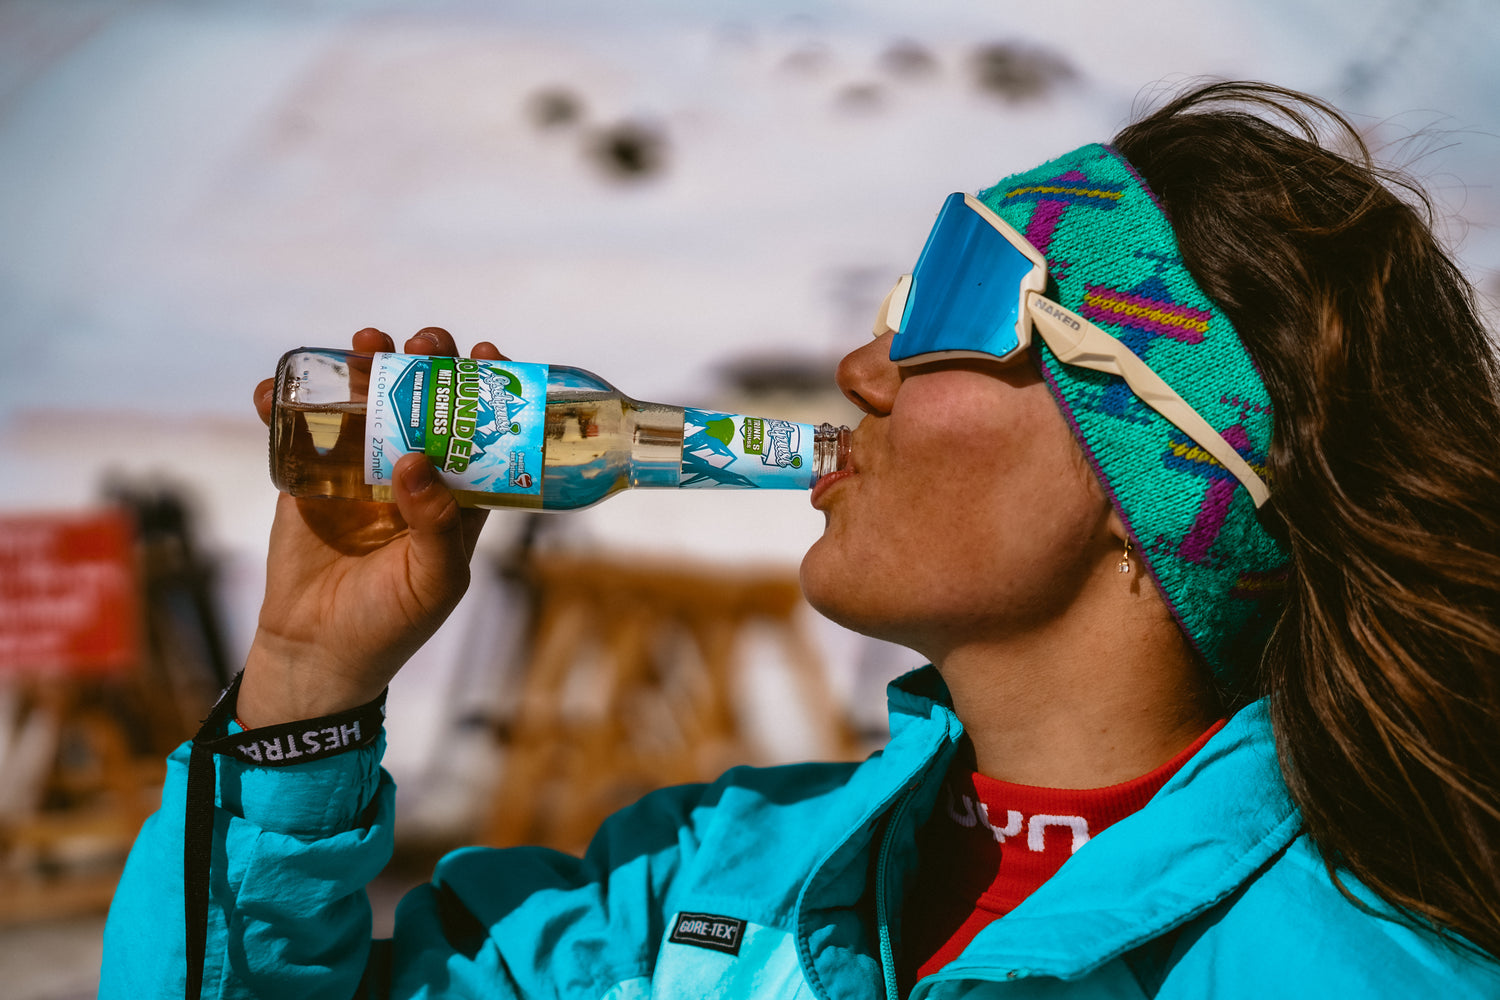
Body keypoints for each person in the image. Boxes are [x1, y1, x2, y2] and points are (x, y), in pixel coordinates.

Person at [101, 81, 1500, 997]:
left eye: (952, 302)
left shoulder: (1349, 973)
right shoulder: (702, 895)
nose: (860, 365)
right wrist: (302, 689)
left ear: (1170, 480)